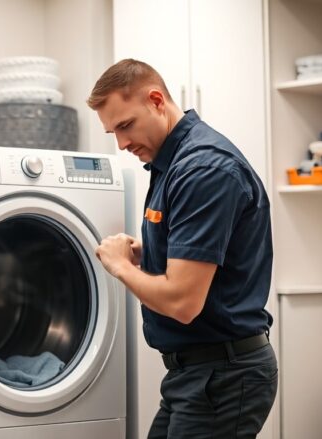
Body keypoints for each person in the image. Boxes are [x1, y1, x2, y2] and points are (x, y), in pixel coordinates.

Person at [89, 59, 277, 438]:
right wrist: (150, 252)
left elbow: (182, 302)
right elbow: (199, 257)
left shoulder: (203, 169)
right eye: (113, 132)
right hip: (195, 374)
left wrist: (120, 267)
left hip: (223, 377)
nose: (122, 144)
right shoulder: (171, 163)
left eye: (125, 125)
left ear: (157, 100)